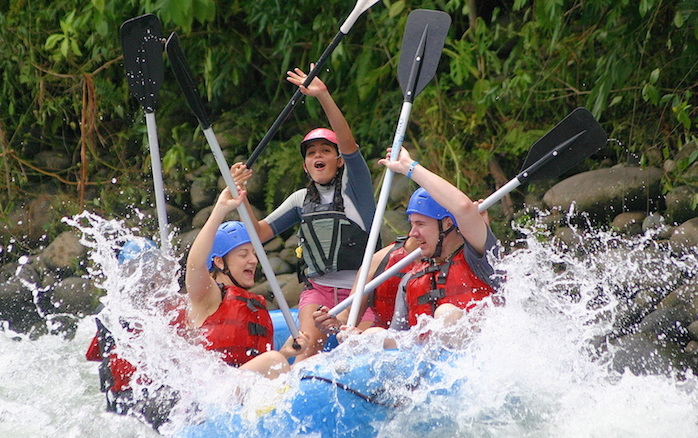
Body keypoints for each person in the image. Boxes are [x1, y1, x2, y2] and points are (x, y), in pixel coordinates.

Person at [237, 66, 378, 361]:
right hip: (318, 293)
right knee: (307, 346)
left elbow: (350, 146)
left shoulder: (357, 190)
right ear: (305, 166)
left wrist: (323, 96)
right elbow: (259, 233)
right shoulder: (300, 200)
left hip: (359, 296)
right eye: (311, 152)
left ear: (338, 161)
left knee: (362, 350)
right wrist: (241, 196)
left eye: (325, 150)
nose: (318, 156)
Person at [332, 147, 500, 346]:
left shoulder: (480, 258)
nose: (413, 234)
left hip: (475, 358)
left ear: (447, 223)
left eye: (420, 224)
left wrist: (410, 168)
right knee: (374, 334)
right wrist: (360, 340)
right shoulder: (411, 279)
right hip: (427, 368)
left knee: (446, 314)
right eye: (412, 224)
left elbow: (463, 208)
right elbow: (399, 339)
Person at [185, 182, 309, 378]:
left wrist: (286, 353)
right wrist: (220, 209)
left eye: (254, 253)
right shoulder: (207, 295)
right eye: (243, 254)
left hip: (241, 391)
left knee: (303, 364)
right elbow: (194, 264)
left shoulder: (253, 306)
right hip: (209, 393)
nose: (253, 260)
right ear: (219, 262)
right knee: (273, 360)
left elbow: (251, 366)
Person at [85, 238, 186, 431]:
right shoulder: (113, 314)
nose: (148, 279)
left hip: (139, 401)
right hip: (129, 401)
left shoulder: (167, 305)